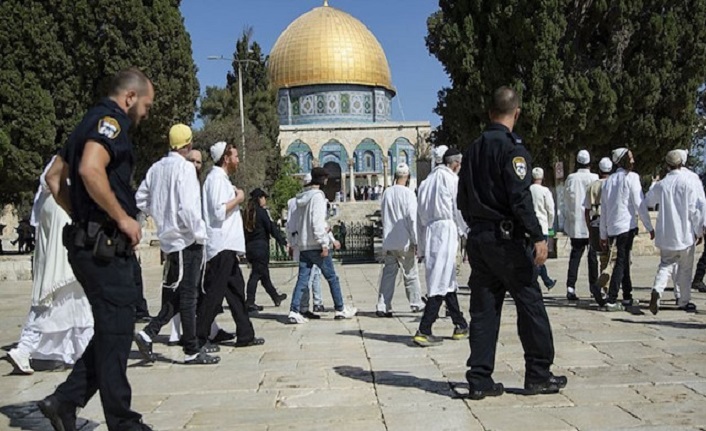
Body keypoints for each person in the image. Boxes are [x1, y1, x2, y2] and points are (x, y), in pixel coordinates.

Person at [40, 68, 154, 430]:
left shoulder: (84, 124)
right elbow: (91, 170)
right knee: (117, 334)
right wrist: (120, 218)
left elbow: (53, 179)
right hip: (104, 248)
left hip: (88, 243)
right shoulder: (110, 123)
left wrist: (82, 216)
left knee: (112, 330)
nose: (147, 113)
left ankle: (64, 402)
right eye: (147, 105)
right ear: (130, 97)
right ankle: (122, 422)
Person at [457, 86, 566, 400]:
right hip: (507, 242)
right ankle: (538, 373)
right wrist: (537, 236)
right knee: (530, 304)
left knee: (484, 311)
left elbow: (462, 199)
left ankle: (479, 379)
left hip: (479, 239)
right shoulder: (512, 149)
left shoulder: (473, 149)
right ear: (516, 113)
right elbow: (520, 198)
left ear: (490, 112)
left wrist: (479, 225)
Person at [133, 124, 218, 365]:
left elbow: (140, 198)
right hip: (186, 239)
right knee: (189, 296)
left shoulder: (156, 168)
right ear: (188, 145)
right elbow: (189, 208)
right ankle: (191, 349)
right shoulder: (185, 169)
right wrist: (201, 234)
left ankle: (148, 333)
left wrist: (160, 213)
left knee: (178, 294)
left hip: (169, 241)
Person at [7, 157, 94, 375]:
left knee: (73, 291)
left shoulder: (66, 153)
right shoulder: (84, 148)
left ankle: (82, 352)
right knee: (60, 283)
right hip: (62, 210)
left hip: (54, 208)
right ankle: (26, 347)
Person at [197, 141, 265, 349]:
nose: (238, 160)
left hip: (227, 246)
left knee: (236, 290)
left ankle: (245, 334)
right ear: (226, 159)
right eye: (235, 156)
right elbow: (218, 212)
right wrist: (239, 198)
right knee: (215, 294)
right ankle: (199, 339)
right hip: (221, 246)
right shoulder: (216, 180)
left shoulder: (221, 180)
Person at [287, 167, 357, 323]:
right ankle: (340, 309)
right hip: (316, 246)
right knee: (332, 277)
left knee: (302, 279)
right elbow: (317, 222)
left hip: (304, 244)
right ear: (322, 180)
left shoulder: (301, 198)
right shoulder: (318, 197)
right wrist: (324, 244)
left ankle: (294, 310)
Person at [413, 148, 468, 347]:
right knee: (439, 279)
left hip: (430, 232)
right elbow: (458, 207)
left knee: (446, 277)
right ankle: (424, 328)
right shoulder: (451, 180)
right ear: (455, 164)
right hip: (446, 229)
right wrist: (466, 230)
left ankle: (460, 324)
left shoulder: (426, 183)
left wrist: (420, 244)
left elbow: (418, 217)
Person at [644, 150, 703, 314]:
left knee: (665, 264)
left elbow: (648, 201)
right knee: (685, 269)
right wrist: (699, 231)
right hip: (684, 234)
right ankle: (684, 301)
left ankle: (657, 289)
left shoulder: (662, 184)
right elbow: (694, 210)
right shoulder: (688, 182)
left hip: (667, 234)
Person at [599, 148, 654, 311]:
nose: (633, 161)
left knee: (624, 261)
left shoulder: (609, 181)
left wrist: (603, 234)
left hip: (613, 227)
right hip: (626, 226)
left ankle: (628, 295)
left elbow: (604, 210)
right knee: (621, 261)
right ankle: (612, 298)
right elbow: (640, 204)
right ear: (622, 161)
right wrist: (649, 226)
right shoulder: (632, 178)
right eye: (629, 158)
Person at [376, 163, 425, 317]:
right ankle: (416, 303)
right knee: (410, 273)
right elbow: (412, 219)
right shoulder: (409, 194)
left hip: (390, 240)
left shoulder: (387, 193)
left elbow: (384, 216)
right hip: (405, 241)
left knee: (388, 274)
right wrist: (416, 241)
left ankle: (383, 306)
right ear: (407, 177)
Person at [286, 173, 325, 319]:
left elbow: (289, 225)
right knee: (308, 276)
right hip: (310, 242)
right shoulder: (306, 200)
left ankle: (304, 306)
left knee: (308, 275)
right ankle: (303, 306)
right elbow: (290, 224)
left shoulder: (297, 200)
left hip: (300, 241)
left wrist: (290, 241)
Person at [244, 187, 288, 313]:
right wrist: (283, 241)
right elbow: (271, 228)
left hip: (250, 248)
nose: (265, 200)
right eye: (264, 198)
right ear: (259, 199)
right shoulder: (261, 212)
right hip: (260, 248)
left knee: (264, 276)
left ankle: (275, 297)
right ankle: (250, 302)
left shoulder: (247, 213)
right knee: (256, 275)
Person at [563, 150, 599, 300]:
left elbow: (565, 199)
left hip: (577, 223)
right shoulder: (595, 177)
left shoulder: (571, 178)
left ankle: (571, 287)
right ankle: (594, 287)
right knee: (592, 257)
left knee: (575, 256)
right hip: (591, 223)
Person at [583, 157, 615, 303]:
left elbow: (587, 209)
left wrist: (589, 226)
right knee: (613, 258)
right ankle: (605, 287)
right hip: (611, 223)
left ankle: (603, 288)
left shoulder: (592, 186)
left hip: (596, 222)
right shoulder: (613, 184)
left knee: (602, 256)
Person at [529, 167, 556, 290]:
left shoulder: (527, 190)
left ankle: (546, 280)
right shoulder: (545, 191)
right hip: (542, 226)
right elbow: (550, 210)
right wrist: (550, 225)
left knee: (531, 255)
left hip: (529, 226)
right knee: (539, 257)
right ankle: (544, 280)